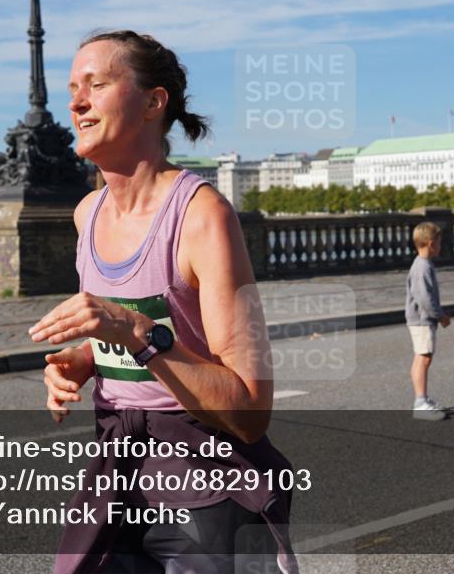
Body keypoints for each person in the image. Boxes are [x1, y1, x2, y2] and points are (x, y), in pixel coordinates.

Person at [27, 30, 296, 574]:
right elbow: (137, 335)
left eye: (96, 85)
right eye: (72, 88)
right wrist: (83, 361)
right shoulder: (88, 215)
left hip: (203, 495)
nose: (76, 102)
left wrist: (133, 331)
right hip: (116, 482)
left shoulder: (201, 217)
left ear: (153, 102)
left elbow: (249, 410)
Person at [405, 221, 450, 420]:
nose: (441, 246)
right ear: (431, 244)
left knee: (421, 357)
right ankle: (421, 402)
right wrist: (439, 315)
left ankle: (421, 399)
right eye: (439, 243)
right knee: (424, 358)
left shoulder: (422, 264)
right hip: (423, 319)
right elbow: (425, 298)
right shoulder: (422, 267)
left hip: (420, 318)